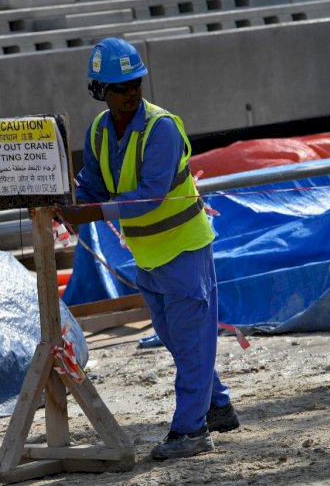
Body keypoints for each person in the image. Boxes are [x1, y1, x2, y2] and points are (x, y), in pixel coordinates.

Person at [56, 37, 240, 460]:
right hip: (149, 255)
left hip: (184, 251)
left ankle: (191, 430)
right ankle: (218, 406)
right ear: (100, 91)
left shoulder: (162, 128)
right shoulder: (100, 132)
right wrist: (68, 201)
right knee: (180, 341)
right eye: (121, 87)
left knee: (190, 343)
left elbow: (150, 195)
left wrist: (90, 212)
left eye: (136, 82)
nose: (132, 92)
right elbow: (95, 184)